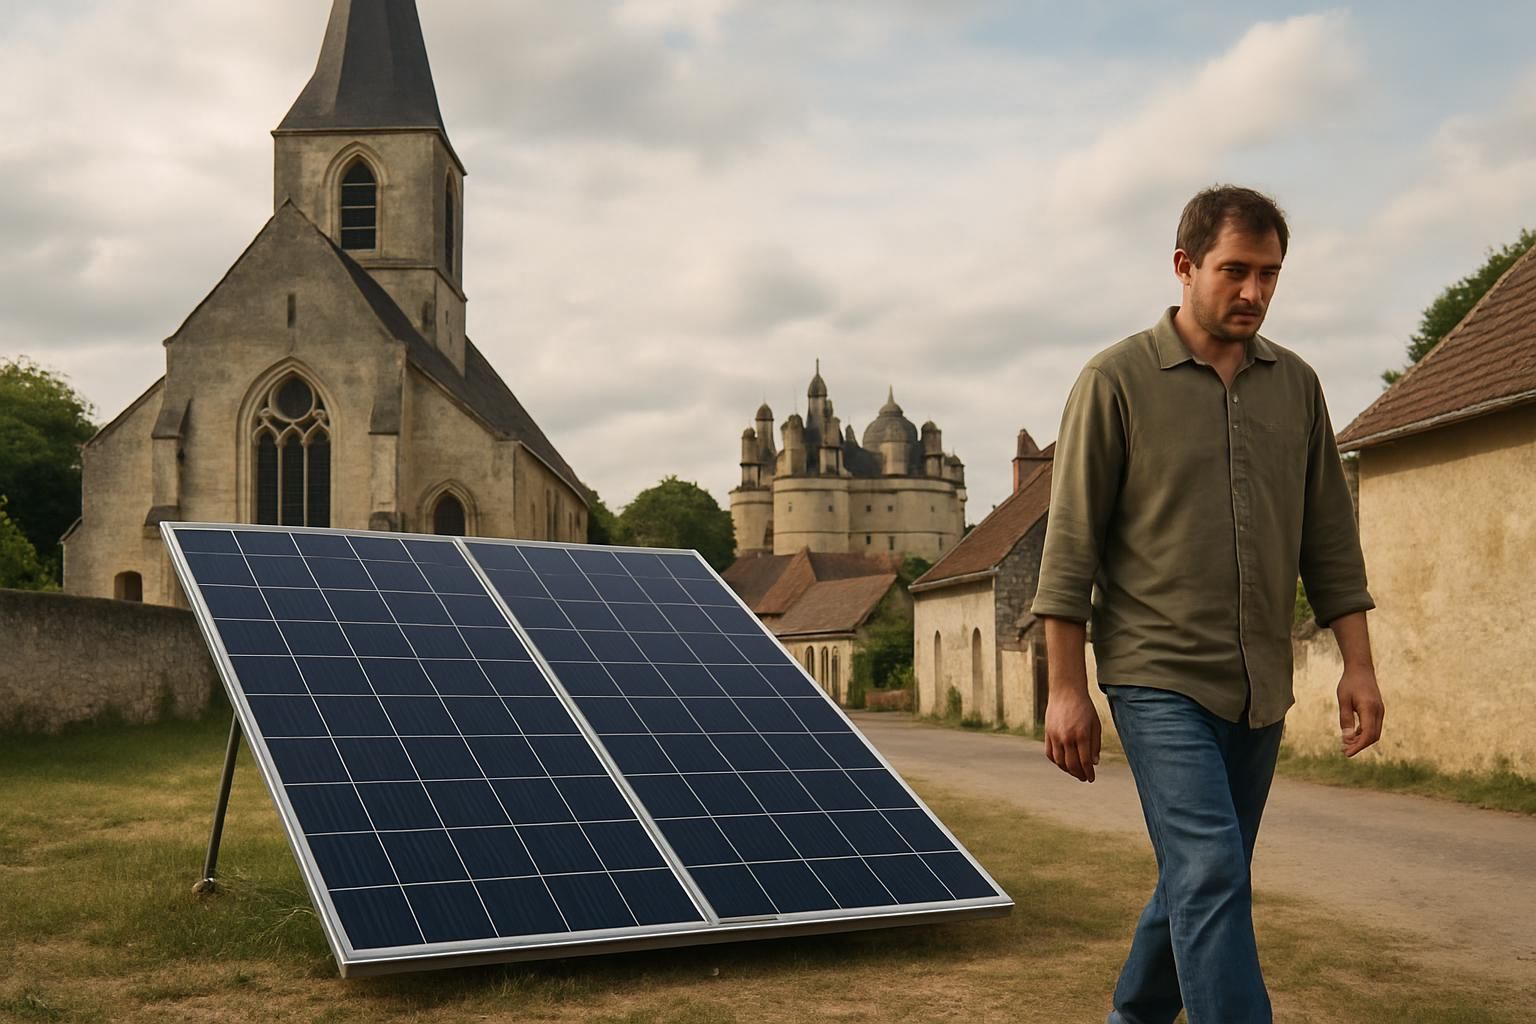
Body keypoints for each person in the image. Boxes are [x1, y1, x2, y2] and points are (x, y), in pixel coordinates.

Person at [1030, 184, 1384, 1024]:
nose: (1255, 292)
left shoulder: (1296, 387)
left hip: (1259, 682)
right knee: (1212, 870)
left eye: (1270, 274)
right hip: (1157, 676)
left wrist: (1359, 667)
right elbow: (1069, 546)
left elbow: (1330, 539)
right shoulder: (1114, 381)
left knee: (1199, 874)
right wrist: (1067, 688)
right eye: (1236, 270)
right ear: (1185, 266)